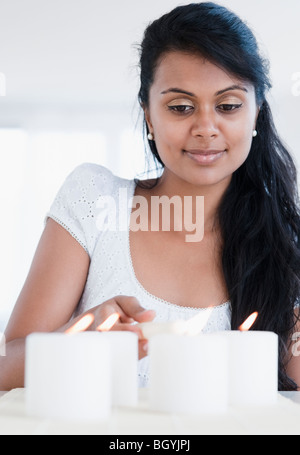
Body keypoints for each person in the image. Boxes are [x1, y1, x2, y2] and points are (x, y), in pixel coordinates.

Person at [1, 2, 300, 391]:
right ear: (149, 117)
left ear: (257, 113)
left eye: (228, 106)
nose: (205, 128)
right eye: (180, 107)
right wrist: (75, 343)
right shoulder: (95, 202)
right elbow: (7, 367)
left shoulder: (285, 247)